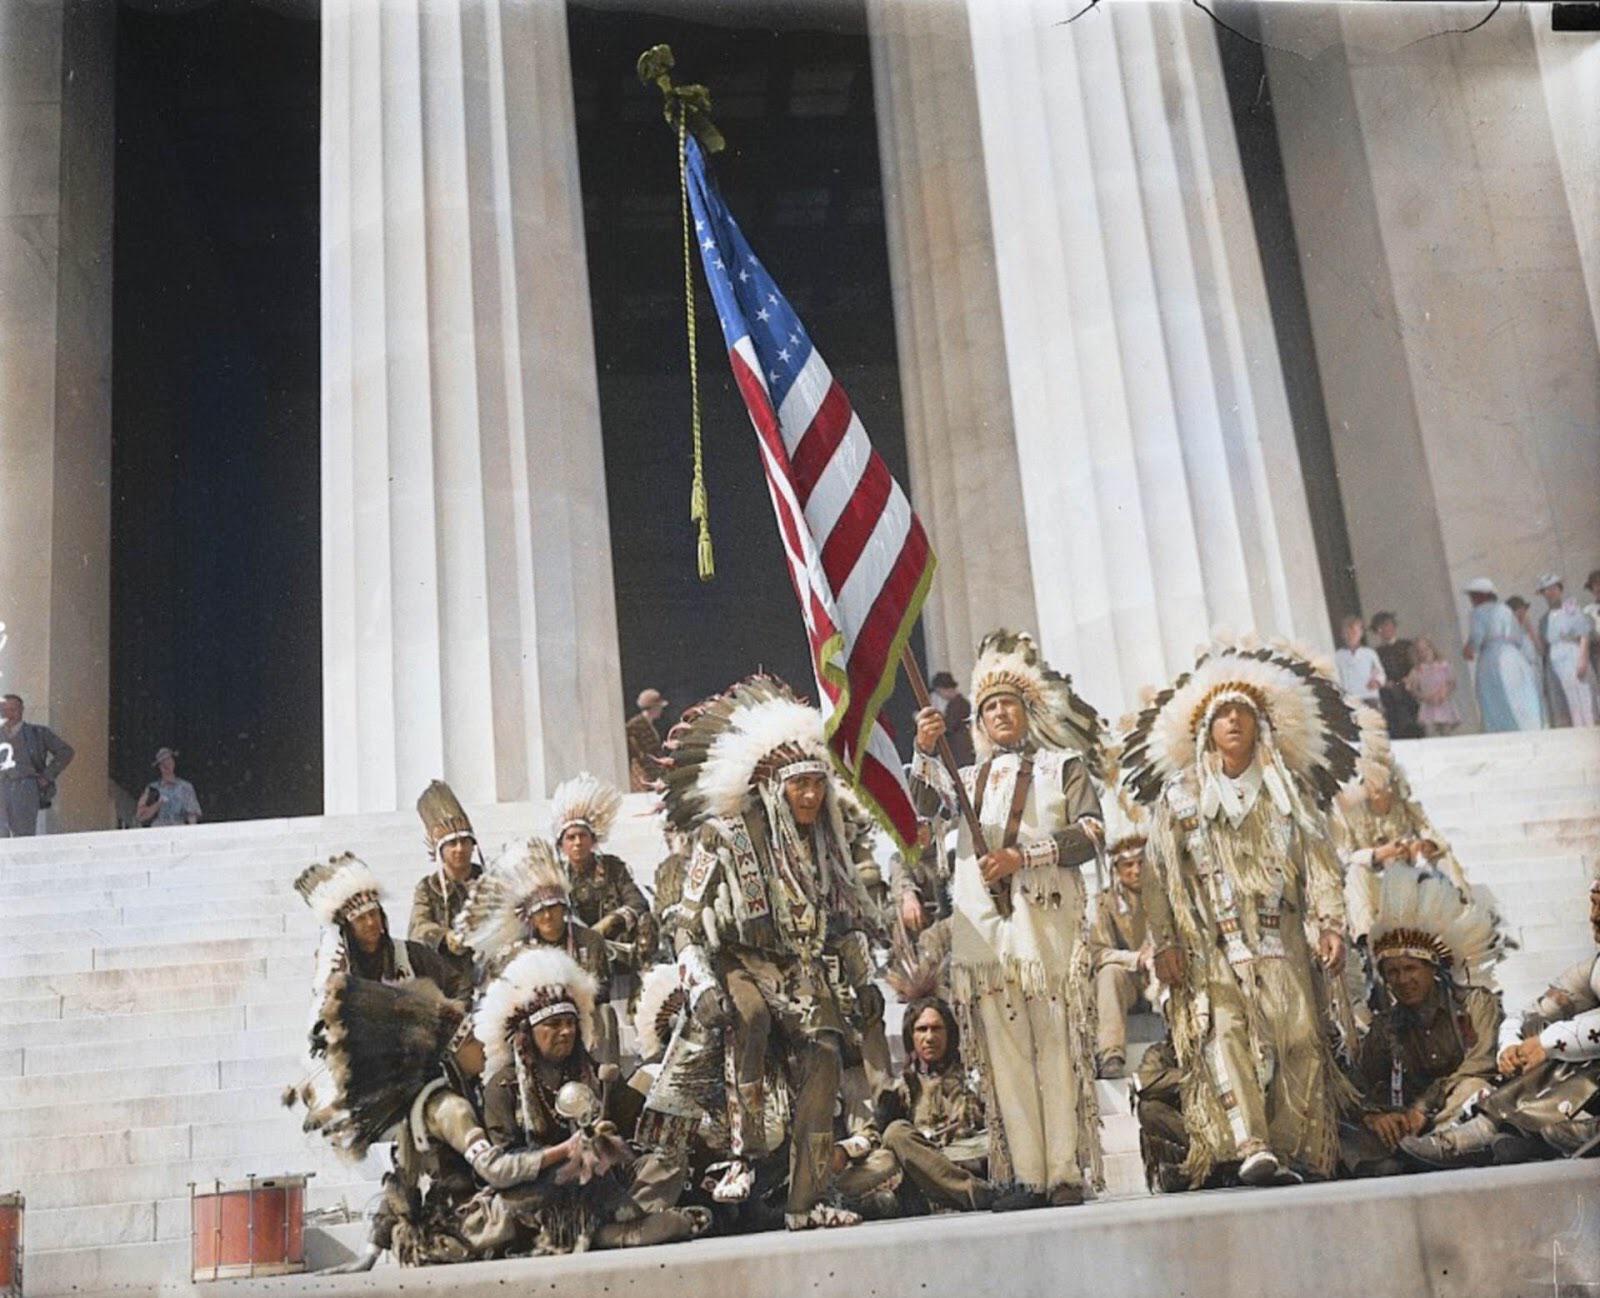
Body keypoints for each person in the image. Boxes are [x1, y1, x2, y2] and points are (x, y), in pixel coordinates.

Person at [1125, 639, 1359, 1187]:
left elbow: (1321, 863)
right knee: (1225, 1032)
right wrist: (1168, 943)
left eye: (1242, 713)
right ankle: (1250, 1143)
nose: (1232, 721)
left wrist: (1329, 923)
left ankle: (1294, 1149)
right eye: (1222, 714)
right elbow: (1159, 879)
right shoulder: (1181, 799)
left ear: (1260, 725)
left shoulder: (1290, 794)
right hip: (1212, 944)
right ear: (1206, 730)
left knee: (1298, 1037)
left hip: (1281, 937)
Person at [657, 675, 881, 1229]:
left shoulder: (828, 843)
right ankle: (742, 1151)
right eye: (799, 785)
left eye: (816, 785)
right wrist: (702, 985)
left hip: (802, 971)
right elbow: (685, 922)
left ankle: (804, 1203)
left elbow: (844, 921)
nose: (809, 795)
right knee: (750, 1017)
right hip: (739, 964)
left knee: (826, 1059)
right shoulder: (727, 836)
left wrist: (864, 980)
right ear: (775, 788)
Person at [911, 629, 1106, 1210]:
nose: (999, 714)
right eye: (989, 707)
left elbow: (1093, 833)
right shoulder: (964, 778)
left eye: (1009, 705)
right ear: (978, 720)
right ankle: (1026, 1176)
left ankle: (1065, 1172)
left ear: (1028, 713)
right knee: (1006, 1052)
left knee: (1054, 1044)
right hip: (985, 933)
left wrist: (1023, 856)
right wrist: (925, 750)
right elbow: (922, 809)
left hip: (1045, 925)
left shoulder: (1062, 766)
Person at [289, 974, 546, 1270]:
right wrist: (559, 1153)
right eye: (474, 1041)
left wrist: (370, 1253)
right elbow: (494, 1170)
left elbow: (402, 1179)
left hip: (431, 1235)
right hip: (460, 1231)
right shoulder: (451, 1108)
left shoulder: (427, 1102)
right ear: (453, 1050)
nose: (483, 1047)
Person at [475, 946, 710, 1252]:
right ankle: (612, 1233)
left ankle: (609, 1229)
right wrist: (564, 1153)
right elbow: (502, 1167)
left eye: (570, 1023)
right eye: (553, 1025)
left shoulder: (596, 1073)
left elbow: (637, 1131)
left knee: (670, 1159)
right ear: (528, 1032)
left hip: (602, 1186)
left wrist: (614, 1143)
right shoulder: (502, 1087)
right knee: (511, 1205)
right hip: (544, 1191)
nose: (565, 1032)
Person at [1401, 877, 1600, 1168]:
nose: (1595, 916)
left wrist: (1547, 1043)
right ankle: (1501, 1130)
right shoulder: (1593, 969)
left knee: (1565, 1047)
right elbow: (1529, 1015)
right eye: (1593, 903)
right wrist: (1512, 1046)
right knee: (1543, 1039)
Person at [1340, 865, 1505, 1177]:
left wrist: (1424, 1107)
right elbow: (1363, 1085)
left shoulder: (1475, 1003)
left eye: (1411, 969)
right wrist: (1377, 1116)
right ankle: (1400, 1156)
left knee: (1477, 1089)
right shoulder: (1385, 1025)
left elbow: (1480, 1064)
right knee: (1346, 1127)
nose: (1403, 980)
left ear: (1433, 969)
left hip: (1453, 1107)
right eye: (1393, 972)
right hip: (1410, 1122)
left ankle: (1450, 1145)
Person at [453, 837, 617, 1063]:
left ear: (564, 909)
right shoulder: (514, 953)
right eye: (540, 911)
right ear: (530, 917)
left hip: (579, 1025)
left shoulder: (589, 941)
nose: (547, 916)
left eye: (553, 908)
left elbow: (602, 990)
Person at [294, 853, 469, 1044]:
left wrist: (454, 1025)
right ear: (348, 929)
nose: (370, 922)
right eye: (360, 918)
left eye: (374, 913)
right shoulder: (338, 972)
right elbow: (322, 1030)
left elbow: (458, 984)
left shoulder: (410, 954)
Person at [875, 980, 992, 1214]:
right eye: (921, 1029)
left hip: (970, 1164)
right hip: (924, 1186)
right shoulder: (903, 1088)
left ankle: (973, 1191)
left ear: (949, 1033)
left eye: (937, 1028)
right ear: (911, 1036)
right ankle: (972, 1193)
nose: (929, 1037)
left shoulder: (974, 1078)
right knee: (895, 1132)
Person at [550, 773, 653, 985]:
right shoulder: (556, 874)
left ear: (593, 840)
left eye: (582, 836)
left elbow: (638, 903)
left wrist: (608, 922)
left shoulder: (612, 867)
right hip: (572, 949)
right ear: (562, 845)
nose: (577, 842)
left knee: (648, 924)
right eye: (571, 837)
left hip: (614, 944)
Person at [1089, 789, 1155, 1081]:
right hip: (1129, 980)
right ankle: (1111, 1054)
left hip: (1162, 975)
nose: (1136, 870)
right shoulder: (1105, 903)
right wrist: (1135, 958)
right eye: (1128, 864)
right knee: (1109, 973)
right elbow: (1097, 951)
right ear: (1117, 868)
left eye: (1141, 862)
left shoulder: (1167, 895)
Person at [408, 781, 483, 986]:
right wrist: (445, 938)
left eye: (464, 842)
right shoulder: (427, 888)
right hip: (448, 979)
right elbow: (418, 928)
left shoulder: (490, 879)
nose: (459, 849)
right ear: (440, 850)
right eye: (452, 843)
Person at [1463, 578, 1545, 732]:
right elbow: (1519, 638)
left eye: (1473, 596)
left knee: (1494, 694)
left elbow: (1476, 636)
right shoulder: (1506, 610)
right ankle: (1530, 727)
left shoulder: (1478, 613)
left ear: (1481, 596)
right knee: (1520, 693)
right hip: (1515, 656)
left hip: (1492, 657)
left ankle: (1504, 729)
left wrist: (1468, 650)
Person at [0, 693, 73, 837]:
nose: (9, 714)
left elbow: (65, 752)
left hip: (26, 786)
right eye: (4, 710)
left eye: (13, 709)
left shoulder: (38, 733)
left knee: (23, 832)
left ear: (21, 710)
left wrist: (47, 776)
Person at [1536, 575, 1596, 728]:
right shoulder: (1545, 618)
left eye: (1553, 589)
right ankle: (1578, 727)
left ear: (1560, 589)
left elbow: (1583, 633)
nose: (1550, 593)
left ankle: (1588, 725)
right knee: (1570, 694)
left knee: (1582, 691)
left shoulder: (1570, 606)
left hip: (1571, 649)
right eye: (1546, 590)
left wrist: (1582, 658)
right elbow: (1544, 644)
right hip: (1556, 655)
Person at [1370, 613, 1421, 739]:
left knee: (1415, 724)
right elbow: (1375, 673)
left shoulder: (1407, 646)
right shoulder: (1376, 653)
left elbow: (1417, 666)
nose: (1386, 630)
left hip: (1410, 691)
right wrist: (1384, 682)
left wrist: (1410, 678)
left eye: (1388, 625)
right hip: (1389, 694)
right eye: (1381, 627)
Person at [1405, 636, 1461, 737]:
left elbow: (1452, 682)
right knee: (1430, 733)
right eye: (1420, 651)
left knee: (1446, 732)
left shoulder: (1442, 665)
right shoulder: (1417, 670)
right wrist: (1424, 697)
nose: (1424, 653)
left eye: (1426, 649)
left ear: (1432, 649)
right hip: (1428, 704)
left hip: (1442, 702)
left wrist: (1444, 692)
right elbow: (1412, 689)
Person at [135, 747, 202, 826]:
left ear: (173, 763)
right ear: (159, 767)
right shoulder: (152, 789)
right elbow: (140, 816)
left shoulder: (185, 787)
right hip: (158, 831)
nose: (166, 765)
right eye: (163, 763)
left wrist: (191, 833)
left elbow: (192, 814)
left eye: (169, 761)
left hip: (178, 829)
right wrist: (158, 804)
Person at [1333, 615, 1386, 709]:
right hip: (1350, 698)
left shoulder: (1369, 653)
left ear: (1361, 633)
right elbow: (1335, 677)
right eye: (1347, 633)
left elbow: (1379, 673)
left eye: (1354, 632)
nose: (1351, 635)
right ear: (1342, 634)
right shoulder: (1338, 656)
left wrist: (1377, 681)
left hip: (1369, 696)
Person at [929, 670, 975, 769]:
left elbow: (948, 726)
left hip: (961, 753)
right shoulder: (957, 703)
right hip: (960, 753)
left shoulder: (958, 704)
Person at [625, 689, 669, 791]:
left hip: (653, 771)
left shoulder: (649, 724)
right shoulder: (635, 725)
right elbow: (638, 751)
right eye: (659, 707)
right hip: (644, 773)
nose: (661, 710)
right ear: (653, 707)